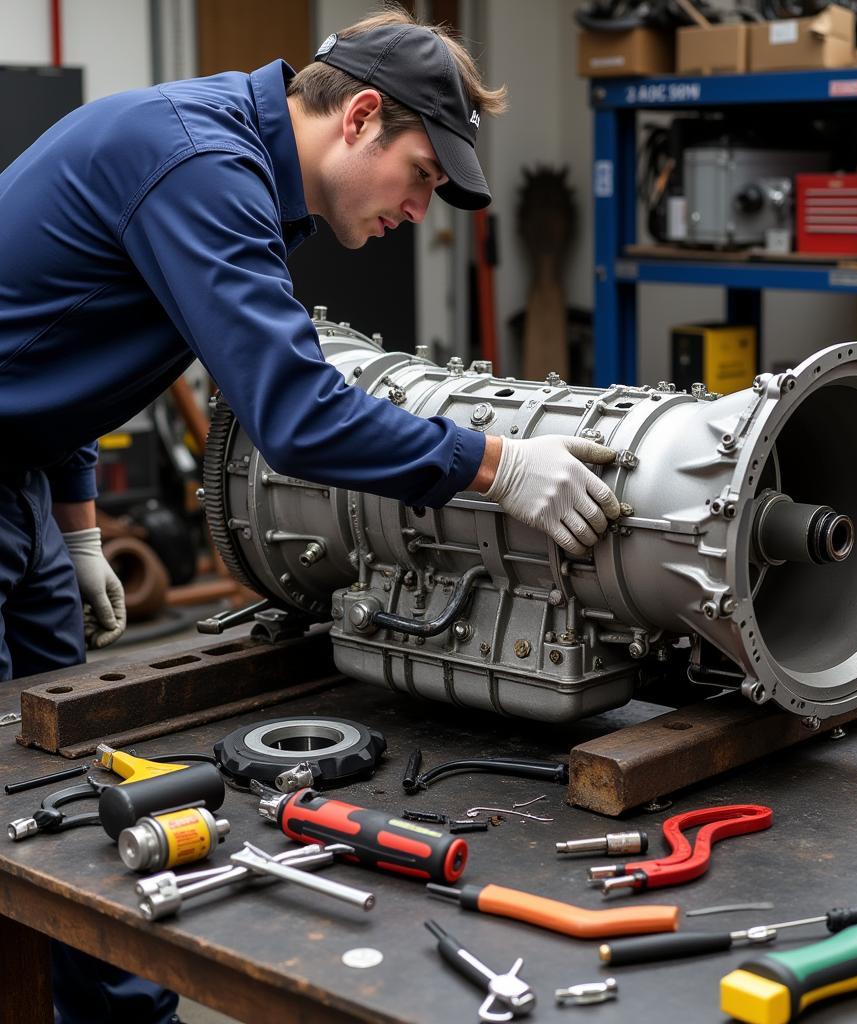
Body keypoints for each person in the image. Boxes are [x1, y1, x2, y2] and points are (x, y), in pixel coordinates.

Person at [0, 8, 619, 1023]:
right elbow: (294, 417)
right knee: (7, 808)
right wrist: (498, 466)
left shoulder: (227, 165)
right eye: (421, 174)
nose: (422, 207)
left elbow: (58, 341)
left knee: (55, 784)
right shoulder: (198, 164)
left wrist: (74, 530)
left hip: (21, 476)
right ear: (362, 115)